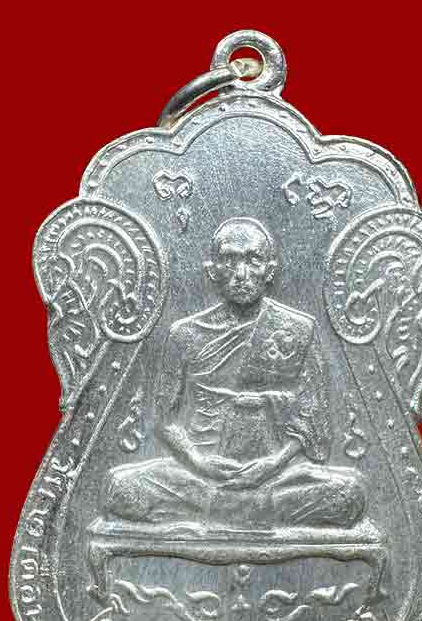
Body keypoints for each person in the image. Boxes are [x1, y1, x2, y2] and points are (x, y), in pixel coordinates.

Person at [103, 217, 365, 531]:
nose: (241, 274)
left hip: (277, 474)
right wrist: (201, 464)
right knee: (122, 489)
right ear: (212, 271)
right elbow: (165, 421)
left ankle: (225, 510)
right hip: (201, 474)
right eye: (229, 261)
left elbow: (313, 420)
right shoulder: (185, 334)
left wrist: (272, 464)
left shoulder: (297, 330)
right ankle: (248, 510)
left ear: (269, 270)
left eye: (253, 260)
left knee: (348, 495)